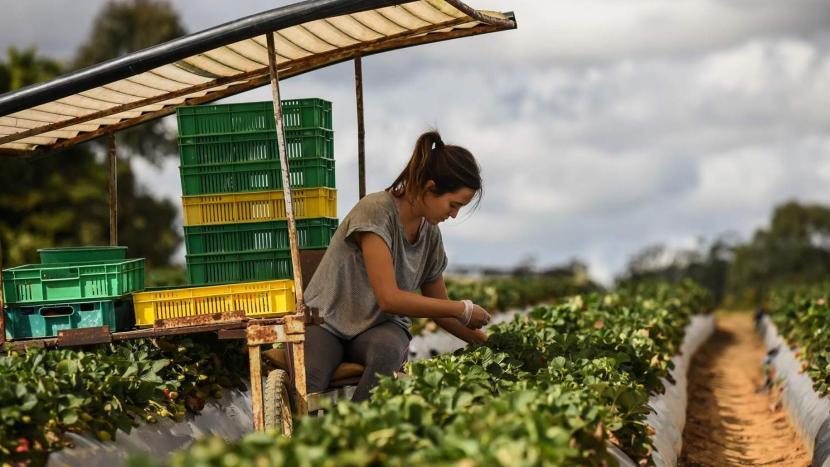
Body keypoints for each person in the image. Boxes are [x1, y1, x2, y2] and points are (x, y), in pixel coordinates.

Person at [303, 130, 492, 402]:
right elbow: (388, 298)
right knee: (311, 378)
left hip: (377, 328)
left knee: (388, 352)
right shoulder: (376, 211)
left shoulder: (430, 235)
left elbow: (440, 311)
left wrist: (484, 341)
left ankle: (355, 431)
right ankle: (302, 440)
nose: (454, 214)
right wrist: (462, 309)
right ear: (429, 188)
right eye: (453, 204)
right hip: (326, 322)